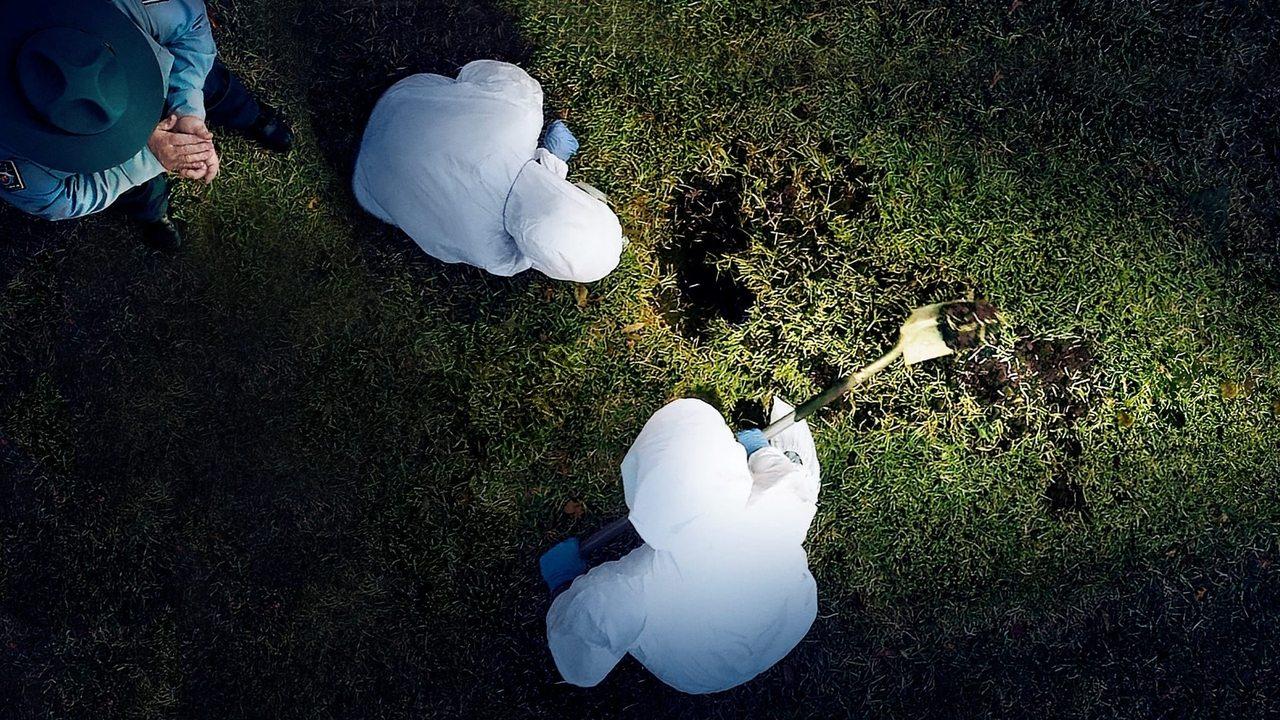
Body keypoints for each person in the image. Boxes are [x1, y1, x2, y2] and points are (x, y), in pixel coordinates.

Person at [542, 398, 822, 694]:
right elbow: (790, 484)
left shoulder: (629, 586)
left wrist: (563, 582)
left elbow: (582, 655)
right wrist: (760, 450)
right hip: (779, 622)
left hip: (703, 666)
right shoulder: (766, 511)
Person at [0, 0, 294, 251]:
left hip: (161, 77)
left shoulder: (116, 5)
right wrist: (147, 160)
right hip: (106, 164)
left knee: (215, 88)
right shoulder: (10, 157)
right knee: (138, 190)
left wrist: (189, 110)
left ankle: (252, 117)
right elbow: (62, 200)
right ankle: (155, 215)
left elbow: (190, 23)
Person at [352, 60, 624, 283]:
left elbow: (477, 71)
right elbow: (533, 235)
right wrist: (552, 163)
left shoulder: (521, 112)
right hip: (372, 186)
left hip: (402, 102)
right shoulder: (498, 256)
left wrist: (551, 160)